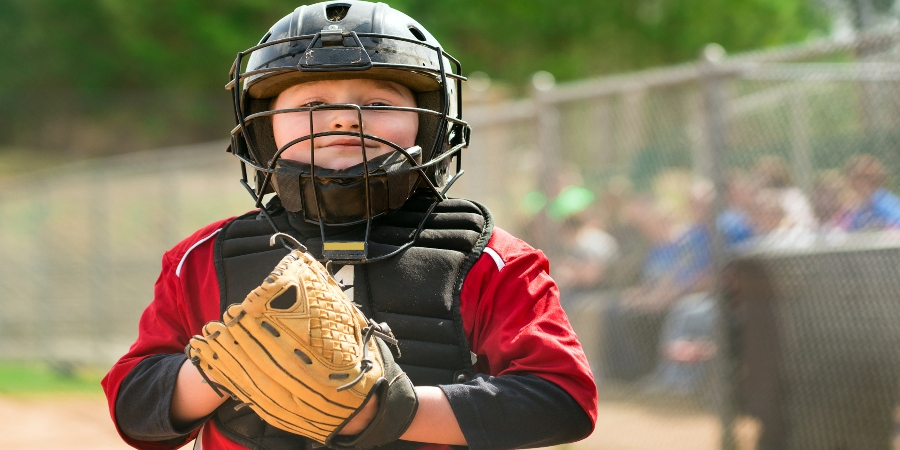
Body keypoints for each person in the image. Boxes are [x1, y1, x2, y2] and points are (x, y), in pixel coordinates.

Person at [100, 2, 597, 450]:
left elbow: (562, 400)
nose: (343, 120)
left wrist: (389, 412)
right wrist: (220, 372)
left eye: (378, 105)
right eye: (312, 106)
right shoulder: (203, 257)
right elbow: (133, 409)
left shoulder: (490, 258)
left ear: (431, 124)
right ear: (261, 128)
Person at [842, 153, 900, 231]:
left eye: (866, 177)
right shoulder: (863, 207)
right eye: (857, 178)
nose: (861, 183)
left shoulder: (883, 200)